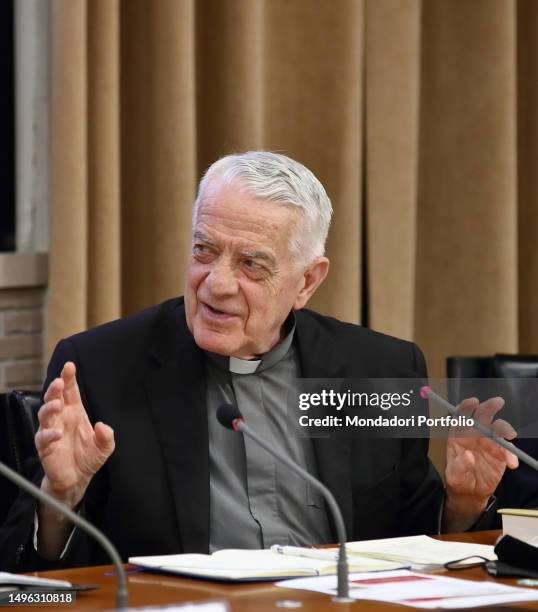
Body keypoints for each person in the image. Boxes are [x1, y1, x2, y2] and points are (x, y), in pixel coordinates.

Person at [0, 152, 518, 571]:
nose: (217, 284)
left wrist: (463, 503)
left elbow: (412, 540)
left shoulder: (374, 367)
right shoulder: (101, 366)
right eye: (204, 250)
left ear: (307, 281)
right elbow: (35, 585)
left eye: (251, 264)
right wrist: (60, 495)